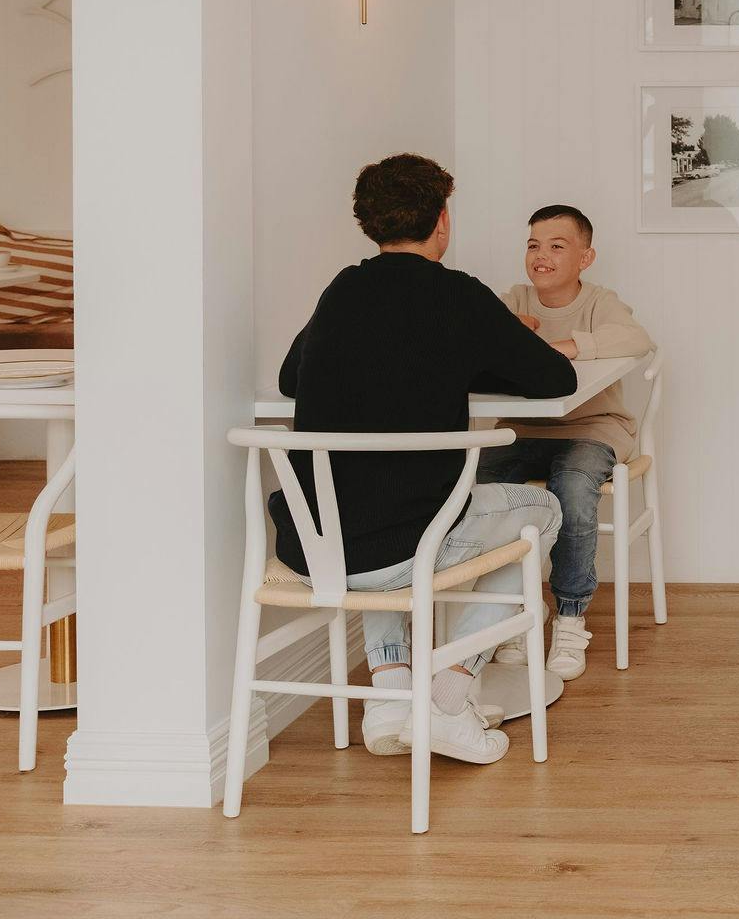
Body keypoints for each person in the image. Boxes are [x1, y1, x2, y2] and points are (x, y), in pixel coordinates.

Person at [274, 154, 577, 764]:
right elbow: (553, 377)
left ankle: (389, 694)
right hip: (410, 548)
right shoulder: (457, 295)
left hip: (319, 546)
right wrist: (476, 355)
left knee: (375, 502)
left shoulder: (342, 289)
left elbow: (290, 379)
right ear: (442, 220)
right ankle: (450, 694)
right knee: (541, 511)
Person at [476, 204, 657, 680]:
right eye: (533, 245)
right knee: (479, 488)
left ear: (586, 257)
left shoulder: (599, 302)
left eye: (558, 246)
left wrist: (569, 347)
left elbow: (637, 339)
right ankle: (511, 611)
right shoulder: (512, 300)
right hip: (522, 430)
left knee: (573, 488)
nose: (542, 255)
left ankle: (571, 616)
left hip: (592, 428)